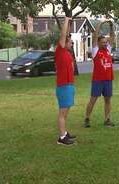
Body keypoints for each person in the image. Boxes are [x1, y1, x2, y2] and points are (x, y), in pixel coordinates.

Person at [84, 21, 115, 128]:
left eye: (106, 42)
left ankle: (107, 120)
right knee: (93, 100)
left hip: (108, 79)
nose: (105, 44)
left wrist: (111, 26)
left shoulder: (108, 49)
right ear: (98, 43)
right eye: (103, 42)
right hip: (98, 80)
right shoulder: (95, 51)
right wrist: (100, 24)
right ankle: (87, 118)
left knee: (108, 100)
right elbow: (95, 35)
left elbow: (112, 36)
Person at [55, 17, 77, 145]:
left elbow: (67, 34)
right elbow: (64, 35)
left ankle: (65, 132)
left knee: (65, 113)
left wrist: (69, 25)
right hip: (63, 86)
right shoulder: (60, 51)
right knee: (62, 113)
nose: (72, 44)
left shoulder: (68, 53)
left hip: (69, 85)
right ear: (64, 43)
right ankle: (62, 138)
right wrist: (67, 20)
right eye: (71, 42)